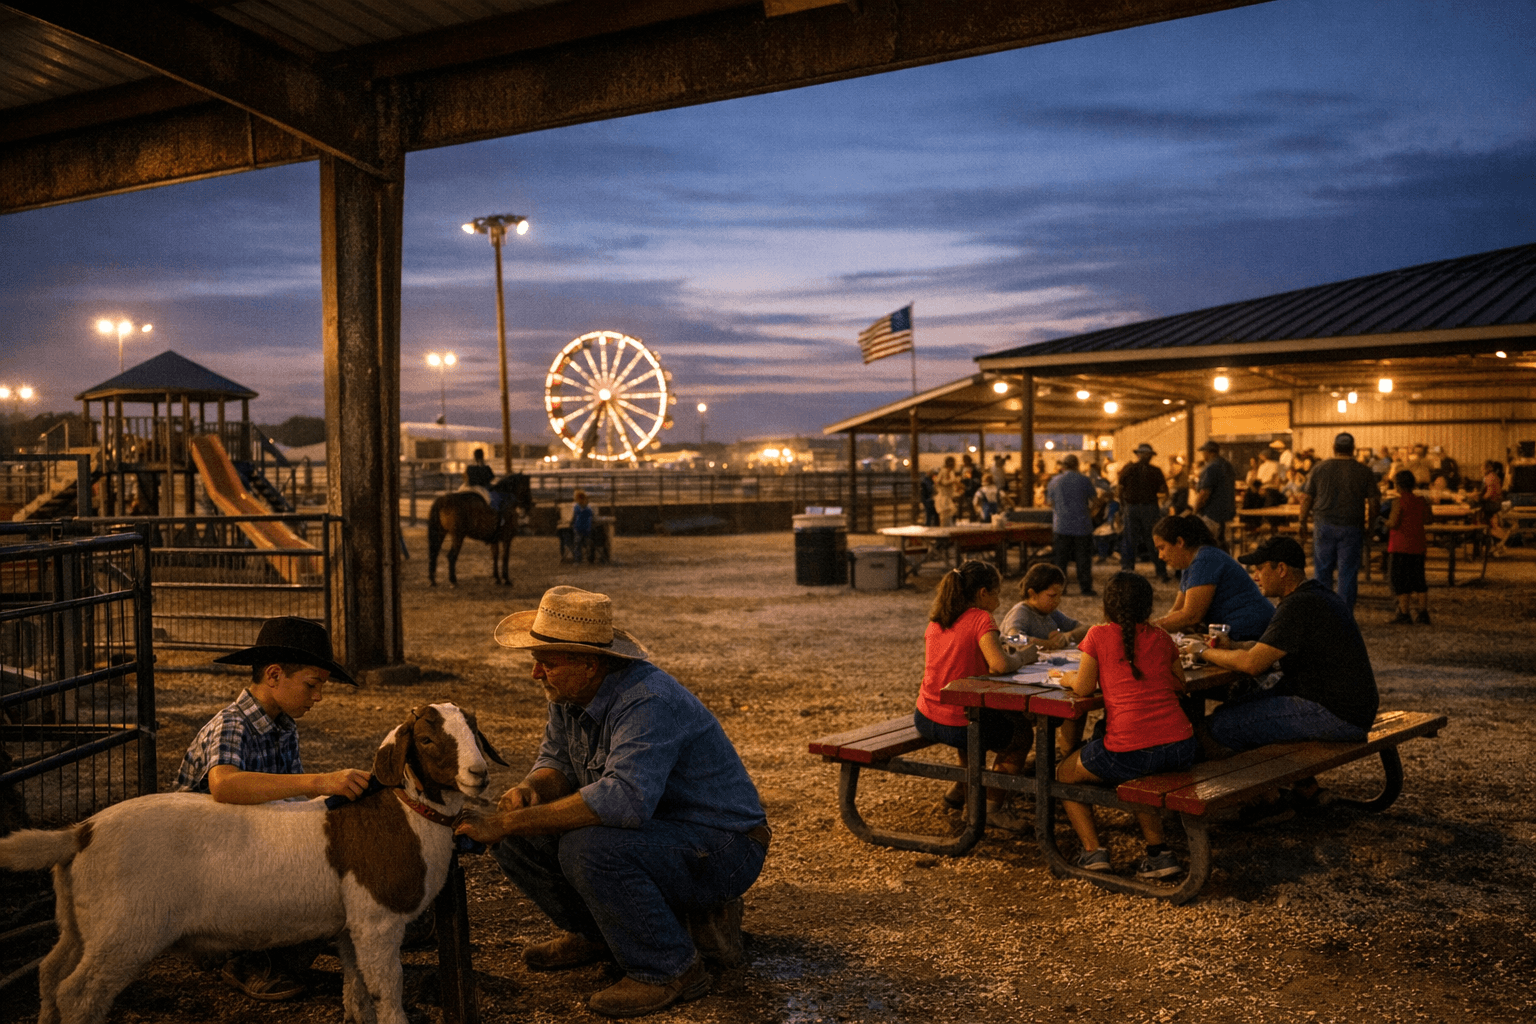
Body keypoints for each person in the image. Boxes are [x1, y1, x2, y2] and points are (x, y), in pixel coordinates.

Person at [458, 587, 769, 1018]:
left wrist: (512, 823)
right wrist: (530, 791)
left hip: (725, 845)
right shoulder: (570, 693)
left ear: (589, 663)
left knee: (587, 848)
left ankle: (671, 968)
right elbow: (557, 761)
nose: (535, 674)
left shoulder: (647, 700)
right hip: (664, 833)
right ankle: (598, 934)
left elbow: (623, 801)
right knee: (518, 836)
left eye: (547, 663)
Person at [175, 617, 368, 1002]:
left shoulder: (283, 727)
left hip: (250, 850)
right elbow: (225, 785)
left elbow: (291, 806)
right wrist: (319, 782)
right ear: (275, 675)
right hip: (203, 867)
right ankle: (241, 958)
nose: (317, 697)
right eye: (312, 685)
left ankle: (281, 946)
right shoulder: (232, 724)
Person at [1056, 572, 1199, 878]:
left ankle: (1094, 852)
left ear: (1107, 607)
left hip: (1132, 748)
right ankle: (1159, 854)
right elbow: (1180, 683)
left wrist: (1065, 678)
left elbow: (1082, 689)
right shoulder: (1161, 637)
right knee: (1141, 774)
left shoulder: (1097, 635)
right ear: (1148, 606)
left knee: (1063, 773)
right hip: (1181, 745)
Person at [1188, 537, 1379, 764]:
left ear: (1281, 569)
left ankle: (1254, 793)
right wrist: (1231, 646)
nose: (1255, 576)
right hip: (1351, 709)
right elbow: (1264, 650)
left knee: (1221, 725)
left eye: (1259, 569)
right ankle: (1290, 789)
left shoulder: (1297, 605)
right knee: (1235, 706)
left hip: (1336, 715)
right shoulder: (1316, 595)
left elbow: (1252, 664)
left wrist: (1201, 651)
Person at [913, 560, 1036, 831]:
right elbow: (1000, 665)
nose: (1000, 600)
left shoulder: (939, 618)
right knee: (1022, 733)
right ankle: (992, 808)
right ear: (982, 593)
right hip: (958, 721)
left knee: (976, 722)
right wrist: (1025, 657)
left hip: (925, 715)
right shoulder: (980, 618)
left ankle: (960, 790)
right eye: (997, 593)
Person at [1149, 514, 1273, 641]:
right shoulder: (1190, 565)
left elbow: (1191, 615)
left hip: (1251, 629)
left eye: (1162, 548)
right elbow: (1178, 610)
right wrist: (1158, 626)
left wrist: (1149, 628)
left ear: (1180, 542)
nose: (1160, 556)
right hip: (1238, 629)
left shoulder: (1205, 559)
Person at [1299, 432, 1379, 611]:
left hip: (1323, 525)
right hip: (1352, 527)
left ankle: (1324, 612)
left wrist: (1302, 522)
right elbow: (1374, 504)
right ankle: (1344, 614)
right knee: (1348, 572)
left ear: (1334, 448)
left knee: (1322, 571)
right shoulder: (1363, 471)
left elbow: (1307, 498)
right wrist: (1371, 527)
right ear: (1353, 449)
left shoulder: (1319, 468)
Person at [1046, 453, 1098, 596]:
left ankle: (1061, 589)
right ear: (1077, 465)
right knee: (1083, 559)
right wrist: (1090, 513)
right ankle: (1085, 587)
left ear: (1063, 466)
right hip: (1082, 525)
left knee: (1060, 560)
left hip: (1061, 525)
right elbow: (1095, 501)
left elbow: (1050, 503)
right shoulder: (1084, 480)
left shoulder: (1054, 481)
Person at [1385, 470, 1430, 625]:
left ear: (1398, 485)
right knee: (1419, 580)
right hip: (1418, 545)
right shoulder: (1422, 500)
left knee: (1400, 580)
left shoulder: (1398, 502)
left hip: (1400, 546)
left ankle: (1404, 614)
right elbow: (1428, 519)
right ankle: (1423, 613)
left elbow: (1394, 523)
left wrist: (1384, 522)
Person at [1191, 440, 1236, 546]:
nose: (1203, 455)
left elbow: (1204, 493)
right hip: (1227, 515)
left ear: (1209, 452)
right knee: (1223, 546)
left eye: (1204, 452)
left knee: (1206, 546)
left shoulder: (1210, 467)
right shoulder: (1227, 465)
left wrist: (1195, 512)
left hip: (1212, 515)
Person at [935, 456, 959, 526]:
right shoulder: (945, 471)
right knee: (945, 520)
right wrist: (954, 481)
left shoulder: (948, 471)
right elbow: (941, 482)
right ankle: (943, 535)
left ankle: (946, 534)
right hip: (944, 498)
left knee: (947, 519)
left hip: (947, 497)